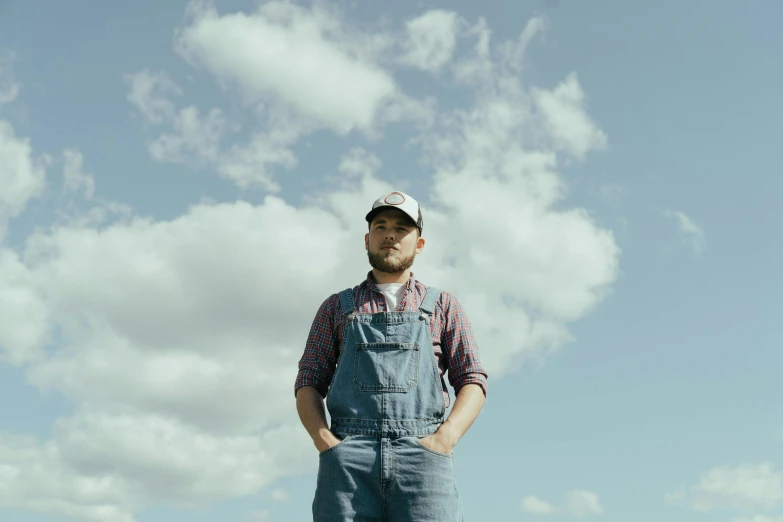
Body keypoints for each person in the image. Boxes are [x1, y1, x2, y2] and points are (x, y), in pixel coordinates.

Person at [295, 190, 488, 521]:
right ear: (367, 239)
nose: (390, 234)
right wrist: (326, 442)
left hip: (424, 456)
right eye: (381, 226)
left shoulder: (443, 305)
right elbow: (309, 381)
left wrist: (445, 439)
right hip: (349, 460)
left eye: (401, 228)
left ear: (419, 243)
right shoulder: (336, 306)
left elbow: (472, 379)